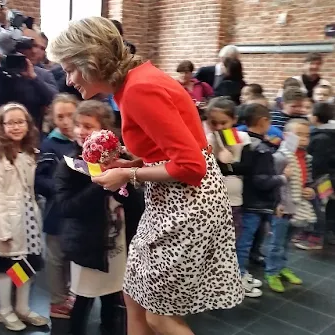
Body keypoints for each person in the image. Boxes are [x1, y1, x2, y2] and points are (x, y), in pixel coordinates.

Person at [49, 17, 243, 335]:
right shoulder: (134, 83)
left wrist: (129, 175)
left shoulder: (139, 89)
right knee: (134, 295)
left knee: (159, 315)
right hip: (173, 199)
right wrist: (131, 164)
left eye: (70, 68)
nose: (69, 80)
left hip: (186, 203)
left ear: (91, 61)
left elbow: (192, 165)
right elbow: (172, 148)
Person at [54, 100, 143, 335]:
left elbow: (136, 205)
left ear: (104, 131)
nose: (82, 131)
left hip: (117, 246)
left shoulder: (118, 161)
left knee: (113, 300)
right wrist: (101, 184)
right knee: (83, 300)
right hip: (88, 246)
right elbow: (66, 207)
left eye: (89, 126)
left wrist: (125, 175)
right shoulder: (71, 165)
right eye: (78, 125)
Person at [0, 103, 48, 331]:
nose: (16, 127)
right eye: (10, 122)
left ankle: (22, 307)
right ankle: (4, 310)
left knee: (25, 265)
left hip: (27, 217)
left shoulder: (28, 152)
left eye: (21, 122)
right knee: (5, 268)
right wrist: (3, 231)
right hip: (6, 220)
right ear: (1, 126)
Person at [205, 97, 263, 298]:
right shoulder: (208, 139)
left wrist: (227, 165)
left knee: (234, 241)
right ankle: (220, 281)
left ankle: (234, 276)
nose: (220, 127)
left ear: (234, 119)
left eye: (224, 122)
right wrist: (222, 161)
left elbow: (247, 167)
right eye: (215, 123)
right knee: (215, 243)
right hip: (213, 199)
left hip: (235, 200)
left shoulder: (243, 138)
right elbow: (207, 168)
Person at [237, 104, 289, 293]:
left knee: (246, 241)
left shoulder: (244, 141)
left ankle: (241, 273)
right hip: (255, 203)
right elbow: (261, 180)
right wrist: (283, 178)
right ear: (263, 121)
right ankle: (239, 277)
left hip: (246, 200)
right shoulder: (261, 148)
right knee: (244, 243)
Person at [34, 94, 78, 319]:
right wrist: (60, 190)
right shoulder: (50, 144)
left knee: (71, 254)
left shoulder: (82, 140)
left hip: (77, 212)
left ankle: (67, 292)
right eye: (60, 116)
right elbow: (39, 180)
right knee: (55, 257)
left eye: (71, 115)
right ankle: (57, 300)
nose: (66, 121)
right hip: (57, 212)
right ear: (53, 119)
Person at [267, 119, 314, 292]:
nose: (303, 139)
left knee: (286, 241)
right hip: (283, 206)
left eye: (307, 135)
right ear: (287, 135)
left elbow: (306, 180)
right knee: (276, 242)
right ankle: (271, 272)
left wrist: (309, 190)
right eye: (299, 134)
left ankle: (281, 267)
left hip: (297, 206)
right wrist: (276, 203)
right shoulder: (280, 157)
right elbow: (273, 182)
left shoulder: (306, 157)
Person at [308, 102, 335, 246]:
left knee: (319, 206)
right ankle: (328, 233)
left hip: (322, 178)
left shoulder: (320, 137)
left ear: (315, 117)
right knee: (329, 205)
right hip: (330, 176)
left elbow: (318, 162)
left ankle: (318, 235)